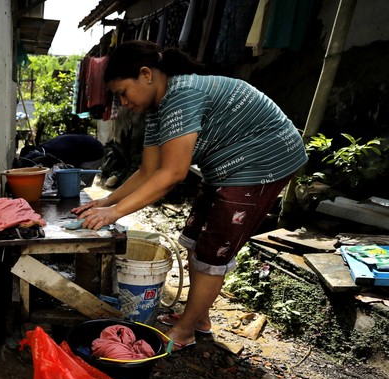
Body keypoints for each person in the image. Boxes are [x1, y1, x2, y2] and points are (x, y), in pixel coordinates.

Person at [72, 41, 307, 350]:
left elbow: (172, 174)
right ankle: (200, 319)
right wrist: (107, 201)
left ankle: (185, 331)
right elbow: (147, 171)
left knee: (213, 251)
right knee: (196, 239)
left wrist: (114, 214)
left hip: (261, 162)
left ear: (146, 74)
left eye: (122, 93)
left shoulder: (181, 94)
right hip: (226, 165)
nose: (122, 102)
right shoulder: (158, 108)